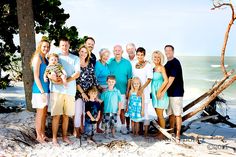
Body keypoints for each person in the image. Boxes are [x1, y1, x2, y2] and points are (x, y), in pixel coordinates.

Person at [49, 37, 80, 145]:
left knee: (67, 115)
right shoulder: (55, 57)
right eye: (62, 45)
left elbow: (77, 74)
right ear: (59, 45)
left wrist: (65, 80)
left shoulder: (75, 58)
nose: (64, 47)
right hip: (57, 90)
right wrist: (52, 78)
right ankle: (54, 138)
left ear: (69, 45)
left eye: (66, 45)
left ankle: (65, 136)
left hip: (70, 91)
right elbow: (49, 69)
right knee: (56, 115)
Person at [74, 45, 99, 138]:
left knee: (88, 113)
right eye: (82, 51)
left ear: (88, 54)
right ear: (79, 52)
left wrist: (94, 95)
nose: (83, 54)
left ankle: (87, 131)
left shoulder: (90, 65)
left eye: (85, 52)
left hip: (89, 94)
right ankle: (77, 132)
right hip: (79, 93)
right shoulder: (75, 65)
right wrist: (82, 93)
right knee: (78, 113)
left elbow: (94, 80)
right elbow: (75, 82)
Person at [161, 45, 184, 142]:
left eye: (170, 50)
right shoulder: (166, 64)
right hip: (169, 94)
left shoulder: (175, 62)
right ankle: (171, 132)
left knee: (177, 114)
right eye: (166, 51)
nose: (168, 52)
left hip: (176, 92)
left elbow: (171, 79)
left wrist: (163, 91)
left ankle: (178, 134)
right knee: (170, 114)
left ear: (173, 51)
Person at [108, 45, 132, 134]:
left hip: (123, 90)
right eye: (115, 50)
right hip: (112, 91)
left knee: (122, 109)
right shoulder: (110, 62)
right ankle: (112, 127)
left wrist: (127, 90)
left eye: (119, 50)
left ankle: (123, 126)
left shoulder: (127, 63)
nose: (117, 52)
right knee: (112, 109)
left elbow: (129, 78)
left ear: (122, 52)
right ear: (113, 52)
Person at [31, 37, 50, 143]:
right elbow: (36, 76)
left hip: (46, 90)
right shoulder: (37, 58)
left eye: (47, 47)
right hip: (39, 91)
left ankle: (43, 134)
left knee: (44, 114)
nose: (46, 48)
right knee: (40, 113)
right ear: (40, 47)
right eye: (44, 46)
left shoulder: (46, 59)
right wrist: (42, 92)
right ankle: (38, 136)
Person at [132, 47, 154, 137]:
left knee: (145, 111)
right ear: (136, 55)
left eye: (142, 55)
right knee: (137, 110)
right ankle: (137, 131)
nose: (140, 56)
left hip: (144, 91)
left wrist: (142, 89)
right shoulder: (134, 64)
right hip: (135, 91)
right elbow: (132, 78)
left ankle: (145, 133)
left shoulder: (148, 65)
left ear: (144, 55)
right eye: (138, 54)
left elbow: (149, 79)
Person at [151, 50, 169, 139]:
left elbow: (166, 80)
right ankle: (159, 132)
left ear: (161, 58)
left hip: (160, 93)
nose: (157, 59)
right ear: (152, 58)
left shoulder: (161, 68)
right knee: (158, 115)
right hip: (154, 94)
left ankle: (162, 134)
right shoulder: (153, 68)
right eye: (155, 57)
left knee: (160, 115)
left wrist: (159, 92)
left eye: (158, 57)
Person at [94, 48, 111, 133]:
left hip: (106, 89)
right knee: (97, 108)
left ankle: (98, 127)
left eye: (107, 56)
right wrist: (99, 88)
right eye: (104, 55)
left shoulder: (107, 65)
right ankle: (94, 127)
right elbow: (94, 77)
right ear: (101, 55)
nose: (106, 57)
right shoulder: (97, 64)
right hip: (98, 89)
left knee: (103, 109)